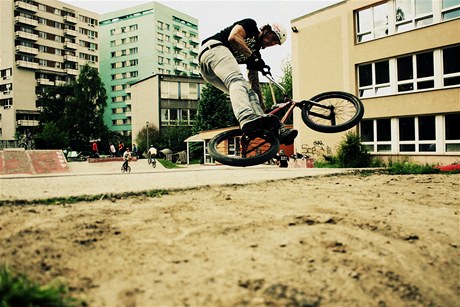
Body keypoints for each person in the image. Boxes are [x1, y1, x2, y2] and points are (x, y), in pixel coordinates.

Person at [199, 19, 297, 145]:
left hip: (210, 72)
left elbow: (253, 82)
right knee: (236, 80)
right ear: (265, 30)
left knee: (248, 92)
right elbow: (233, 37)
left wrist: (261, 109)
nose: (271, 43)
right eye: (272, 38)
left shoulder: (255, 54)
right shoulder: (250, 25)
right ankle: (245, 117)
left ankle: (270, 126)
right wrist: (252, 57)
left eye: (275, 43)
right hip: (213, 49)